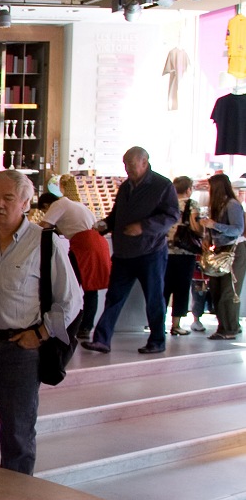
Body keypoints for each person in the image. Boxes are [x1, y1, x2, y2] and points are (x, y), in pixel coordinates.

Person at [0, 170, 80, 475]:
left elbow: (71, 300)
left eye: (8, 198)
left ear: (25, 203)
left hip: (18, 349)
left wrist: (42, 333)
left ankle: (17, 492)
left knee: (17, 432)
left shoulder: (44, 243)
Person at [81, 146, 179, 355]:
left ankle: (157, 340)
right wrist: (105, 225)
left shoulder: (162, 185)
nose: (127, 169)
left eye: (131, 165)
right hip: (124, 253)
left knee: (153, 298)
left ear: (144, 162)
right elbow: (117, 215)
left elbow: (171, 216)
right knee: (114, 297)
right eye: (125, 165)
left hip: (150, 252)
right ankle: (102, 340)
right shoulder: (126, 186)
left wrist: (143, 227)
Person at [38, 189, 108, 339]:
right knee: (91, 288)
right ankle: (86, 327)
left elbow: (43, 226)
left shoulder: (59, 204)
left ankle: (66, 324)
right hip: (97, 242)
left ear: (46, 205)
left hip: (83, 245)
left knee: (68, 285)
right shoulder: (76, 204)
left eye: (44, 211)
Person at [201, 172, 246, 340]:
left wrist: (215, 225)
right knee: (217, 290)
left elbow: (237, 229)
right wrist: (208, 237)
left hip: (234, 251)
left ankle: (229, 328)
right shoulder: (218, 205)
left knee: (229, 290)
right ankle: (227, 326)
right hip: (221, 250)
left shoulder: (232, 204)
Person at [165, 177, 204, 336]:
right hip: (185, 251)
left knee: (164, 287)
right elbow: (195, 226)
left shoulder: (167, 202)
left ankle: (157, 323)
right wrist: (202, 230)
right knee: (181, 288)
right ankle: (176, 325)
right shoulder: (191, 204)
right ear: (188, 189)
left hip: (165, 251)